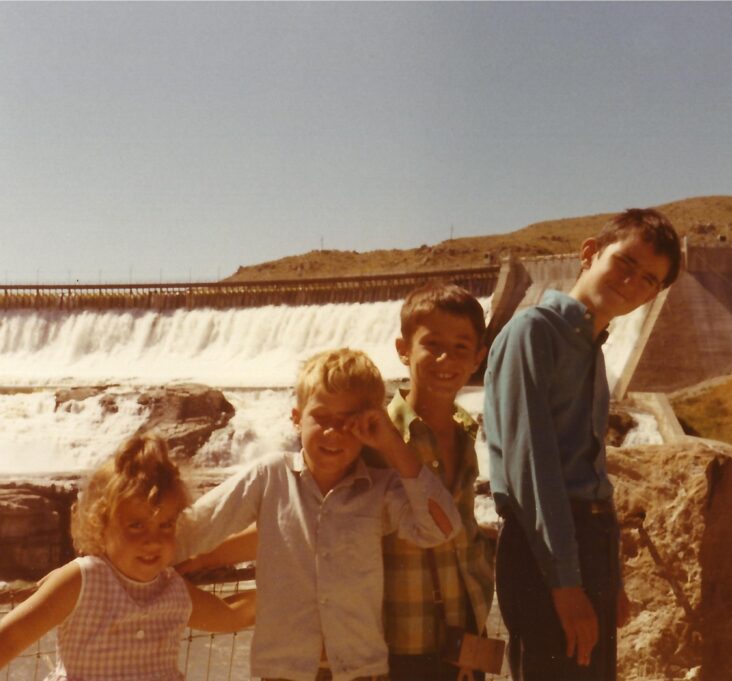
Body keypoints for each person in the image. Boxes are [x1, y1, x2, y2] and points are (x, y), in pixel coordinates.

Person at [174, 347, 462, 681]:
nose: (333, 432)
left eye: (348, 422)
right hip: (283, 673)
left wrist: (392, 444)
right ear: (296, 417)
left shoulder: (380, 490)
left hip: (361, 673)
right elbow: (193, 529)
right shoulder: (270, 477)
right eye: (322, 418)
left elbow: (442, 528)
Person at [484, 208, 682, 681]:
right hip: (545, 551)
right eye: (626, 263)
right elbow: (533, 470)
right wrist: (565, 583)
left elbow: (590, 471)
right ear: (590, 253)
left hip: (587, 546)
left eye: (649, 280)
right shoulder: (535, 332)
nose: (633, 283)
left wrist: (607, 576)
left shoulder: (590, 346)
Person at [0, 433, 255, 678]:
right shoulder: (82, 580)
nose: (152, 540)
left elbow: (229, 615)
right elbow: (9, 639)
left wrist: (288, 587)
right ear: (100, 525)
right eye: (136, 525)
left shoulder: (173, 588)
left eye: (165, 524)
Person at [367, 282, 494, 681]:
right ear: (403, 350)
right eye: (432, 344)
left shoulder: (465, 429)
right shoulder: (378, 437)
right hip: (400, 642)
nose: (446, 358)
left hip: (466, 634)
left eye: (461, 347)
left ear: (478, 357)